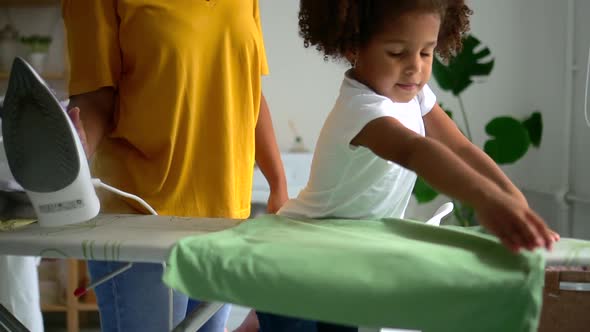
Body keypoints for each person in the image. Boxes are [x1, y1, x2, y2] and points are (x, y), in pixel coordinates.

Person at [256, 0, 560, 330]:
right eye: (398, 53)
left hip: (343, 259)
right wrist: (484, 199)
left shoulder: (414, 95)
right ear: (352, 47)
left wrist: (515, 204)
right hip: (296, 261)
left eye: (426, 52)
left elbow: (458, 146)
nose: (415, 67)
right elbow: (416, 150)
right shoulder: (360, 109)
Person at [61, 1, 288, 331]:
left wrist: (278, 184)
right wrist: (68, 173)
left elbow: (248, 87)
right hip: (140, 220)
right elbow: (95, 96)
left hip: (223, 222)